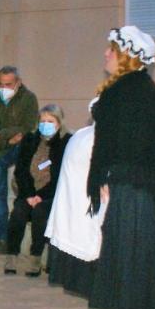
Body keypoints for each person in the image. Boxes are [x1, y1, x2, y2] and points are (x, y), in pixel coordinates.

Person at [87, 26, 155, 309]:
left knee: (134, 245)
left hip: (134, 181)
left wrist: (107, 175)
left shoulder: (132, 89)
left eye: (113, 49)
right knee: (131, 244)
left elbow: (129, 142)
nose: (106, 53)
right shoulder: (132, 87)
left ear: (127, 56)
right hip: (133, 180)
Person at [3, 104, 71, 277]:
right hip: (28, 192)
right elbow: (21, 170)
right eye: (43, 121)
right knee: (18, 214)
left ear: (59, 123)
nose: (45, 124)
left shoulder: (65, 142)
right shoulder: (30, 139)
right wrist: (30, 195)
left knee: (40, 215)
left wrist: (40, 196)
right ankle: (11, 256)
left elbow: (60, 175)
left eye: (50, 121)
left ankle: (35, 259)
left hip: (50, 195)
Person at [0, 65, 39, 255]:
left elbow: (28, 127)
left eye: (9, 84)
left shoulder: (29, 99)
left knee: (25, 176)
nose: (4, 88)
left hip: (18, 148)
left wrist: (1, 133)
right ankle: (1, 240)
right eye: (1, 84)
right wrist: (6, 138)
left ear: (18, 83)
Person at [45, 116, 103, 299]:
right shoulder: (91, 137)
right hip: (81, 203)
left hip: (73, 203)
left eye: (50, 121)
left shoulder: (77, 136)